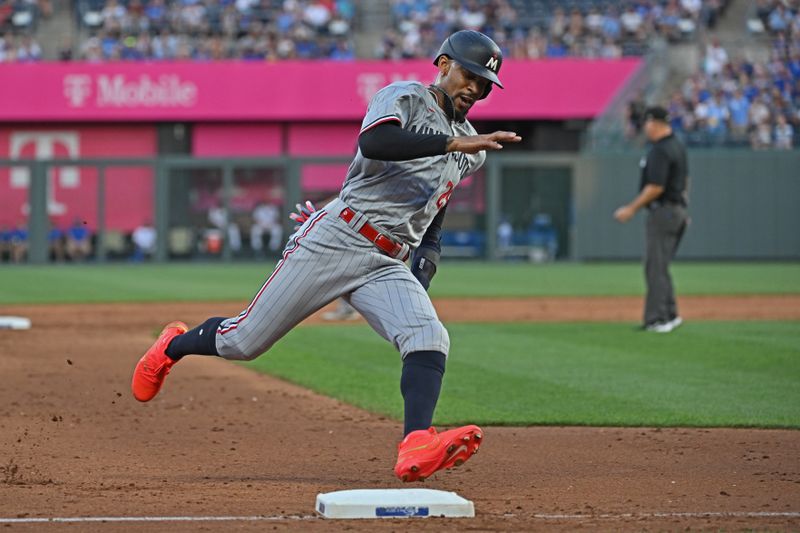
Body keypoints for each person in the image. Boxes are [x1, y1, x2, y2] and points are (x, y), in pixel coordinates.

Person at [131, 30, 521, 482]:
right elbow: (377, 144)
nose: (474, 87)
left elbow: (438, 203)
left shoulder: (472, 146)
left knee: (427, 336)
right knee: (243, 342)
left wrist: (428, 257)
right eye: (469, 74)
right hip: (338, 236)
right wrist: (452, 144)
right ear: (442, 65)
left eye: (485, 82)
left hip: (388, 261)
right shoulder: (405, 97)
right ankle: (172, 345)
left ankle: (416, 442)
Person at [613, 105, 689, 333]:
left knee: (655, 267)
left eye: (647, 122)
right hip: (676, 210)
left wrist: (631, 209)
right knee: (661, 266)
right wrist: (685, 208)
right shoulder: (677, 145)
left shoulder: (661, 150)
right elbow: (685, 181)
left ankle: (658, 319)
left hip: (663, 211)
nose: (645, 127)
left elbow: (655, 187)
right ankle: (670, 314)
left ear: (654, 123)